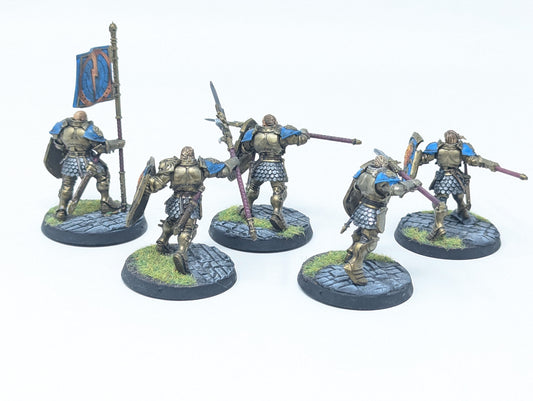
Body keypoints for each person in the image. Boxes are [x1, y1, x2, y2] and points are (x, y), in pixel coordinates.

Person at [145, 146, 239, 274]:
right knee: (188, 228)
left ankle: (163, 240)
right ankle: (181, 252)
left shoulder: (171, 166)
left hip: (175, 200)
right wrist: (234, 160)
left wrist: (148, 179)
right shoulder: (202, 166)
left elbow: (156, 184)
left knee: (171, 221)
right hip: (192, 202)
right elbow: (223, 171)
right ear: (193, 155)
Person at [343, 155, 420, 285]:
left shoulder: (364, 171)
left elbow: (355, 189)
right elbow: (396, 189)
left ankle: (351, 253)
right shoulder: (383, 176)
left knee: (360, 232)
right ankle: (354, 265)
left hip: (362, 208)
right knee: (369, 240)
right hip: (373, 211)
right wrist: (412, 183)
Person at [416, 130, 499, 239]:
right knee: (455, 198)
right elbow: (474, 160)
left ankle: (445, 222)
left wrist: (490, 164)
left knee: (442, 201)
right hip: (455, 177)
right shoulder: (458, 148)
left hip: (444, 178)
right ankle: (443, 224)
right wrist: (490, 164)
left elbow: (424, 158)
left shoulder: (438, 147)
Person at [235, 114, 309, 231]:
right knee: (279, 191)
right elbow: (300, 139)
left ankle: (247, 208)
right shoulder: (281, 133)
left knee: (253, 187)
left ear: (263, 122)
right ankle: (276, 214)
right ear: (274, 122)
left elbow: (245, 148)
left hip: (260, 165)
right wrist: (304, 132)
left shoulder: (254, 133)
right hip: (275, 165)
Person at [47, 110, 124, 221]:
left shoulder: (62, 128)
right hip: (87, 160)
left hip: (69, 161)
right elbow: (100, 147)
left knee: (67, 185)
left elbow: (58, 145)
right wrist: (117, 144)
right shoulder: (89, 129)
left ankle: (61, 210)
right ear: (83, 119)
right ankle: (105, 203)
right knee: (103, 175)